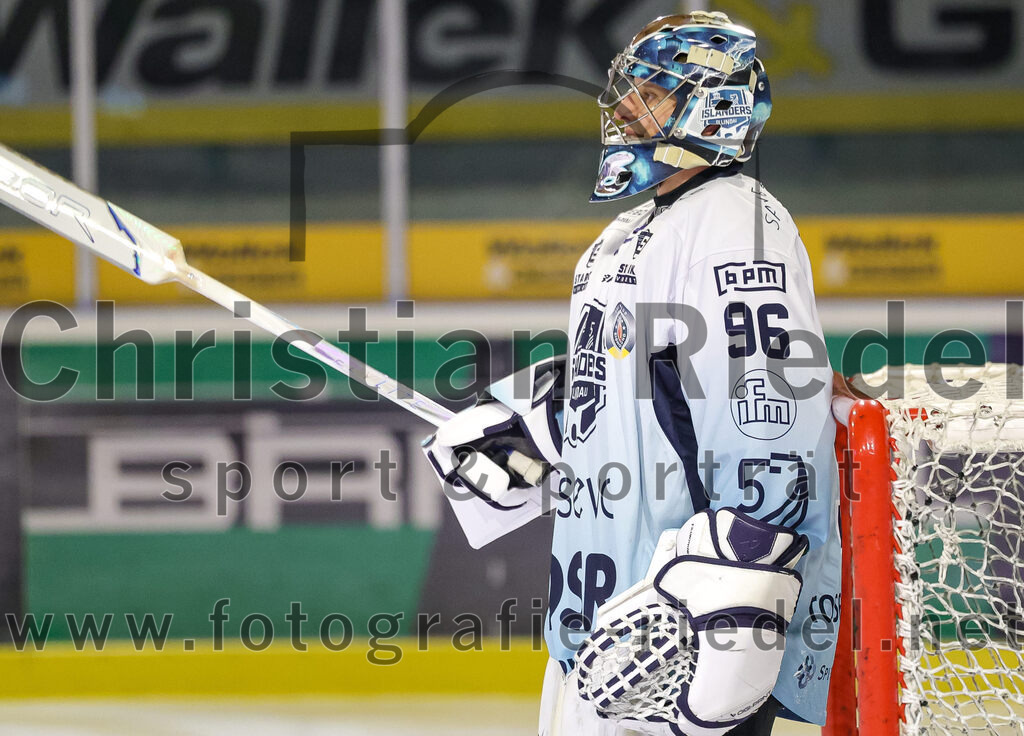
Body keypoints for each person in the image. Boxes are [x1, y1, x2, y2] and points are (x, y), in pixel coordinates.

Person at [423, 11, 841, 736]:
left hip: (671, 644)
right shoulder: (630, 233)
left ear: (715, 106)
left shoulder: (734, 224)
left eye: (651, 91)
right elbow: (622, 385)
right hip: (594, 632)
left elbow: (768, 418)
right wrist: (529, 427)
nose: (623, 109)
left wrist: (735, 610)